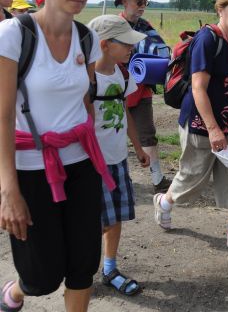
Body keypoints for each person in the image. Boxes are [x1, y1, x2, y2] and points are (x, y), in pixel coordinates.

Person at [0, 0, 116, 312]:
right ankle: (14, 293)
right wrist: (8, 191)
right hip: (31, 168)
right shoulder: (13, 35)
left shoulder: (87, 38)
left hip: (81, 165)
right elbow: (2, 116)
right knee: (41, 277)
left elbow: (83, 100)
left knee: (83, 265)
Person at [153, 0, 228, 256]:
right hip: (203, 124)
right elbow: (198, 88)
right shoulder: (208, 39)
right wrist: (214, 129)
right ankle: (165, 202)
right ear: (220, 9)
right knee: (193, 179)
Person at [87, 15, 151, 297]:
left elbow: (126, 113)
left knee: (115, 219)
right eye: (125, 43)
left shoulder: (122, 75)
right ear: (104, 45)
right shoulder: (86, 80)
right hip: (91, 164)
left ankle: (109, 268)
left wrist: (137, 147)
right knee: (90, 221)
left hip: (117, 161)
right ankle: (81, 271)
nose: (130, 49)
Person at [115, 0, 171, 193]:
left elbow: (162, 51)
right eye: (138, 1)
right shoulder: (113, 26)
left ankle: (157, 179)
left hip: (141, 90)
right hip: (114, 91)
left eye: (145, 2)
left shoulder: (147, 27)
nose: (142, 6)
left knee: (147, 133)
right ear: (124, 1)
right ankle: (118, 178)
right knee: (115, 133)